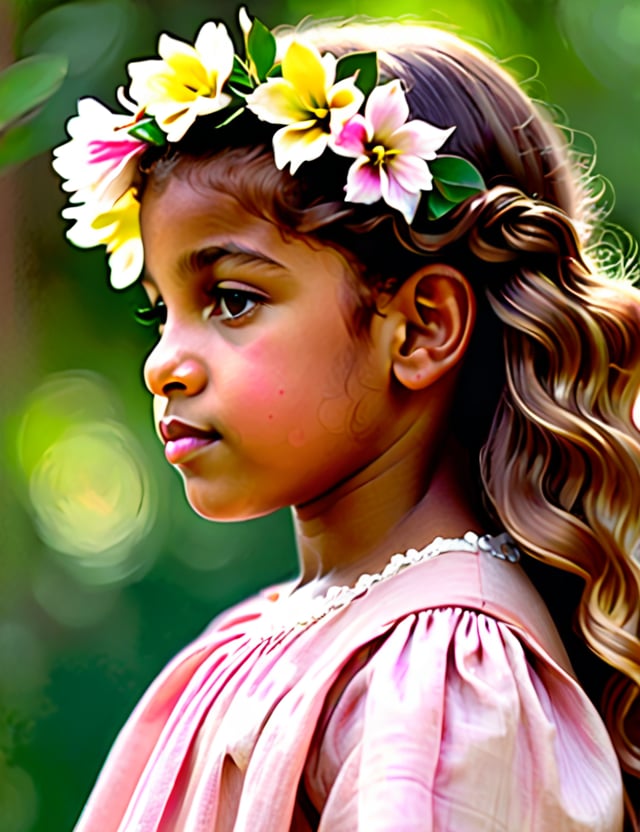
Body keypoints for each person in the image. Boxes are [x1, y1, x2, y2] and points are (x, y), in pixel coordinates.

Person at [52, 9, 640, 830]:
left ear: (422, 327)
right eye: (162, 312)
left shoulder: (445, 670)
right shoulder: (246, 641)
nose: (165, 362)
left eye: (231, 298)